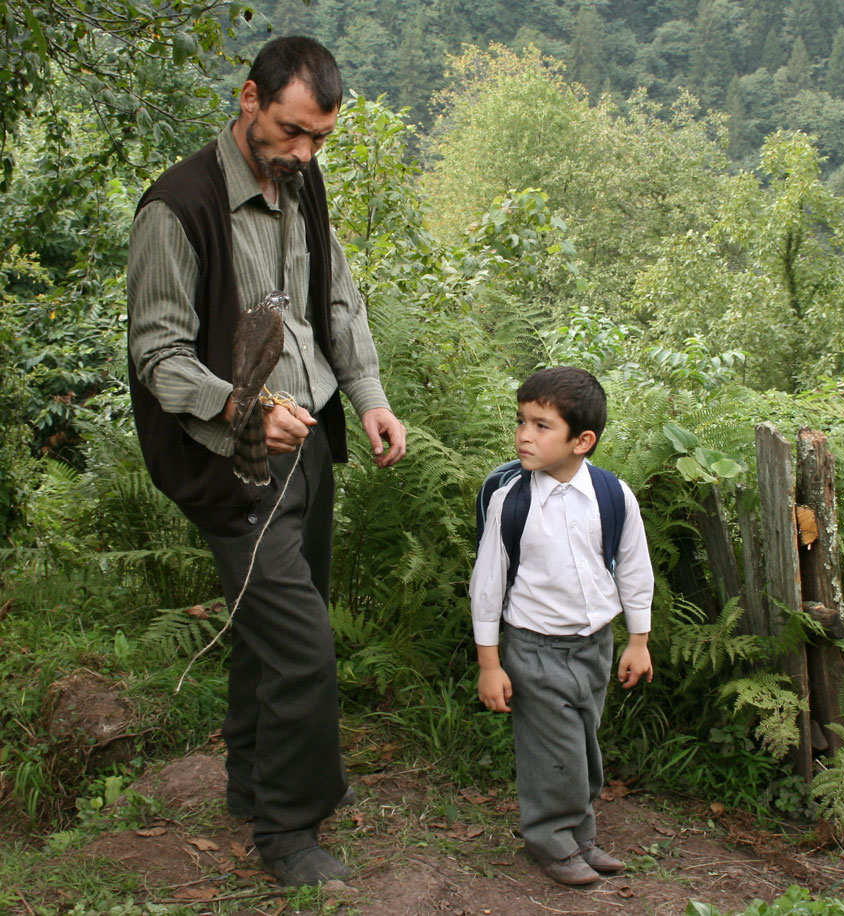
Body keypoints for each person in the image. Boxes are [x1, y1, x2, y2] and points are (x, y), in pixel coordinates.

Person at [127, 36, 406, 886]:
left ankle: (252, 785)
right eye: (291, 132)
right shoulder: (177, 208)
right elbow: (158, 355)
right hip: (232, 462)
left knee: (272, 630)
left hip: (311, 441)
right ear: (248, 98)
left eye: (319, 138)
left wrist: (367, 396)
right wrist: (242, 406)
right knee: (302, 647)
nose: (304, 153)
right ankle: (288, 833)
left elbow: (336, 296)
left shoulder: (301, 181)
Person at [470, 367, 654, 886]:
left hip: (596, 645)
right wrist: (490, 663)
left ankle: (579, 836)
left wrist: (638, 641)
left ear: (582, 441)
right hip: (534, 647)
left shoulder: (614, 496)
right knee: (555, 753)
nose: (524, 435)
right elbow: (486, 586)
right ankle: (551, 843)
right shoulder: (514, 502)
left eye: (542, 425)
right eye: (521, 421)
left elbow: (634, 569)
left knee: (584, 748)